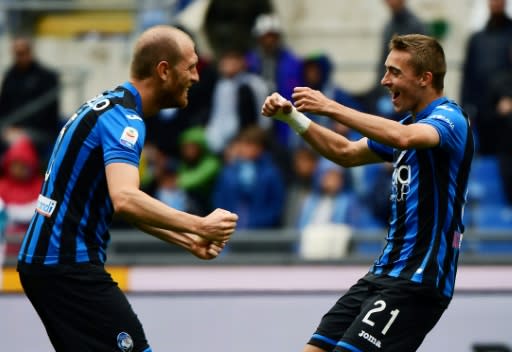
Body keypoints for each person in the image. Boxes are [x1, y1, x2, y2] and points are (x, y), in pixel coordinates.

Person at [16, 25, 238, 352]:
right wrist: (199, 224)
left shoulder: (105, 107)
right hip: (66, 266)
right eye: (190, 67)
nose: (196, 77)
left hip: (47, 264)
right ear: (164, 70)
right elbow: (125, 200)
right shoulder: (125, 121)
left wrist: (187, 240)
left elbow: (123, 203)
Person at [262, 34, 474, 352]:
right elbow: (346, 152)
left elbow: (403, 138)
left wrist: (331, 107)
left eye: (394, 72)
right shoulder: (407, 125)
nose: (384, 80)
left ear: (425, 78)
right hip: (381, 276)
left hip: (416, 282)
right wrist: (292, 117)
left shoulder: (450, 120)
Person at [460, 0, 512, 154]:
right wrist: (464, 108)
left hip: (506, 115)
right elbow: (468, 75)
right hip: (482, 112)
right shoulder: (477, 39)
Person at [0, 36, 60, 159]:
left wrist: (20, 130)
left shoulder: (46, 76)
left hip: (39, 131)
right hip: (10, 130)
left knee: (19, 143)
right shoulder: (10, 75)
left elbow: (48, 113)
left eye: (23, 52)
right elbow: (4, 106)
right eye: (17, 53)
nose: (20, 56)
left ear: (30, 51)